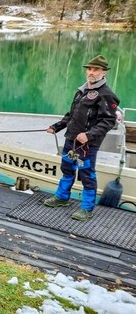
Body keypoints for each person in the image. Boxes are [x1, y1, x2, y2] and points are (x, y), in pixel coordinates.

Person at [44, 55, 120, 221]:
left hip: (87, 144)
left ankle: (86, 208)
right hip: (71, 139)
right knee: (67, 169)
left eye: (96, 70)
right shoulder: (82, 90)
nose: (91, 72)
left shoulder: (106, 95)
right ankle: (62, 198)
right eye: (90, 69)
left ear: (104, 72)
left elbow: (108, 121)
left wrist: (88, 135)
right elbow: (72, 115)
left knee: (87, 174)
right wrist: (56, 127)